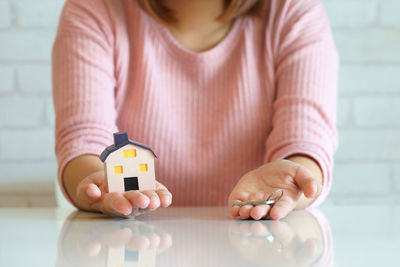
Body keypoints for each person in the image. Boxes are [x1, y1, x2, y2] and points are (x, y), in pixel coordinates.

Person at [52, 0, 338, 220]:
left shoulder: (294, 11)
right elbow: (83, 140)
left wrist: (292, 178)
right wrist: (100, 183)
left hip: (259, 248)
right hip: (133, 247)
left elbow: (305, 138)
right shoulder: (93, 8)